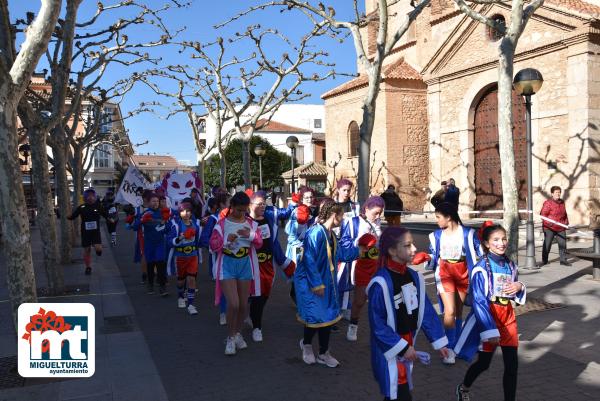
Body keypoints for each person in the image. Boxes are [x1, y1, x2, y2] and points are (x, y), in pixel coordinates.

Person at [368, 226, 449, 401]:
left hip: (407, 341)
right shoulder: (380, 283)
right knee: (398, 391)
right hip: (389, 346)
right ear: (392, 250)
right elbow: (378, 324)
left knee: (396, 392)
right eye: (408, 245)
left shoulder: (415, 277)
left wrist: (439, 341)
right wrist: (402, 347)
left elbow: (425, 310)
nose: (414, 249)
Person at [454, 224, 526, 401]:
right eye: (496, 240)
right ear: (486, 243)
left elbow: (513, 287)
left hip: (508, 318)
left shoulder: (511, 264)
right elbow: (479, 301)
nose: (501, 243)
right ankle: (463, 388)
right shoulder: (481, 268)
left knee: (512, 366)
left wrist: (519, 286)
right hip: (489, 319)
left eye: (503, 239)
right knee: (484, 363)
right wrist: (490, 331)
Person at [296, 198, 358, 368]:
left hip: (327, 281)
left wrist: (361, 251)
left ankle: (324, 353)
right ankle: (307, 345)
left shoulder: (332, 235)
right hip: (311, 282)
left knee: (328, 317)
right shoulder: (315, 233)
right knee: (315, 316)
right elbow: (308, 260)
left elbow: (342, 255)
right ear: (333, 214)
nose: (343, 219)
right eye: (341, 215)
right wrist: (317, 284)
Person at [427, 202, 481, 364]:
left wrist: (488, 240)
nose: (436, 221)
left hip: (463, 272)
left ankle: (458, 342)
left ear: (448, 217)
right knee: (449, 311)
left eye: (438, 217)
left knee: (458, 311)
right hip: (444, 272)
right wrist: (425, 258)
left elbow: (480, 252)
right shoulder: (436, 235)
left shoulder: (468, 234)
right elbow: (432, 255)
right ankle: (449, 347)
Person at [210, 192, 263, 356]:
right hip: (227, 264)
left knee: (242, 304)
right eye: (238, 210)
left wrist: (251, 235)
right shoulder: (221, 224)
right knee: (233, 304)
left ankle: (237, 333)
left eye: (244, 210)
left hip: (245, 264)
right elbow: (212, 245)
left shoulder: (251, 224)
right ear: (231, 207)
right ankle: (230, 338)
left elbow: (260, 242)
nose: (242, 213)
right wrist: (227, 241)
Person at [248, 191, 296, 342]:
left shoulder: (269, 219)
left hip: (268, 264)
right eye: (259, 204)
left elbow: (273, 243)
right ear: (250, 205)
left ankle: (252, 315)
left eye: (264, 203)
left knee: (264, 295)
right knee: (257, 295)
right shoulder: (245, 221)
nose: (263, 206)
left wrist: (283, 261)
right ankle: (257, 327)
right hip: (251, 264)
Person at [339, 195, 385, 341]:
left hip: (377, 264)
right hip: (361, 265)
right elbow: (344, 243)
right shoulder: (353, 222)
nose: (378, 216)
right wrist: (360, 243)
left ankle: (379, 330)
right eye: (375, 213)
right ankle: (353, 327)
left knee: (377, 301)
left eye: (380, 213)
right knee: (359, 301)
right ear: (366, 208)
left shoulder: (378, 223)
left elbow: (380, 244)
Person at [199, 191, 231, 325]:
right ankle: (223, 313)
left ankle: (243, 314)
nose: (233, 206)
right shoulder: (214, 219)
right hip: (220, 260)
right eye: (230, 203)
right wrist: (217, 247)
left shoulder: (238, 217)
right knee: (224, 288)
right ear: (222, 204)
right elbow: (204, 239)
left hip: (239, 260)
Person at [167, 201, 202, 315]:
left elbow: (198, 240)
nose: (186, 213)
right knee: (181, 280)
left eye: (188, 211)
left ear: (191, 212)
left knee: (192, 279)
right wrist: (180, 238)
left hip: (192, 255)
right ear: (179, 212)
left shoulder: (195, 224)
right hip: (180, 257)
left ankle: (191, 304)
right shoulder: (176, 225)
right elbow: (170, 241)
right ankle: (180, 296)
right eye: (183, 211)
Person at [132, 193, 170, 296]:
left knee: (160, 263)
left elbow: (168, 229)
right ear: (148, 203)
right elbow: (134, 227)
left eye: (157, 201)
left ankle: (162, 287)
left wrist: (165, 224)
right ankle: (150, 284)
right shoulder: (145, 213)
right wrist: (141, 221)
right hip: (149, 243)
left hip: (160, 243)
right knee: (150, 264)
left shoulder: (163, 213)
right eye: (153, 201)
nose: (156, 203)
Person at [285, 186, 318, 304]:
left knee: (308, 271)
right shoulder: (297, 212)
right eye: (306, 197)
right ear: (302, 199)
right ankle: (296, 296)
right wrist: (301, 246)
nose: (309, 199)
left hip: (309, 247)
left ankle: (304, 296)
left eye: (311, 197)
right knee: (298, 271)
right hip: (298, 247)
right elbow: (291, 235)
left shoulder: (314, 210)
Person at [68, 188, 107, 275]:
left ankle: (98, 251)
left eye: (92, 196)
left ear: (94, 197)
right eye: (88, 196)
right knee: (87, 250)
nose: (90, 198)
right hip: (85, 232)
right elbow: (73, 216)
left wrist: (110, 218)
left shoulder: (98, 206)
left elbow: (105, 214)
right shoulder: (81, 207)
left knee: (98, 248)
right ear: (85, 197)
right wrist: (66, 216)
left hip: (95, 232)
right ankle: (88, 267)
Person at [540, 186, 570, 266]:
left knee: (562, 243)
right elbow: (543, 215)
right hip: (549, 227)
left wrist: (566, 223)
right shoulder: (548, 203)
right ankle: (544, 260)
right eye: (556, 192)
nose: (558, 194)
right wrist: (550, 223)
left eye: (559, 192)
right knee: (548, 244)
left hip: (560, 227)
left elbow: (565, 214)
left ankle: (563, 260)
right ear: (552, 194)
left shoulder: (562, 202)